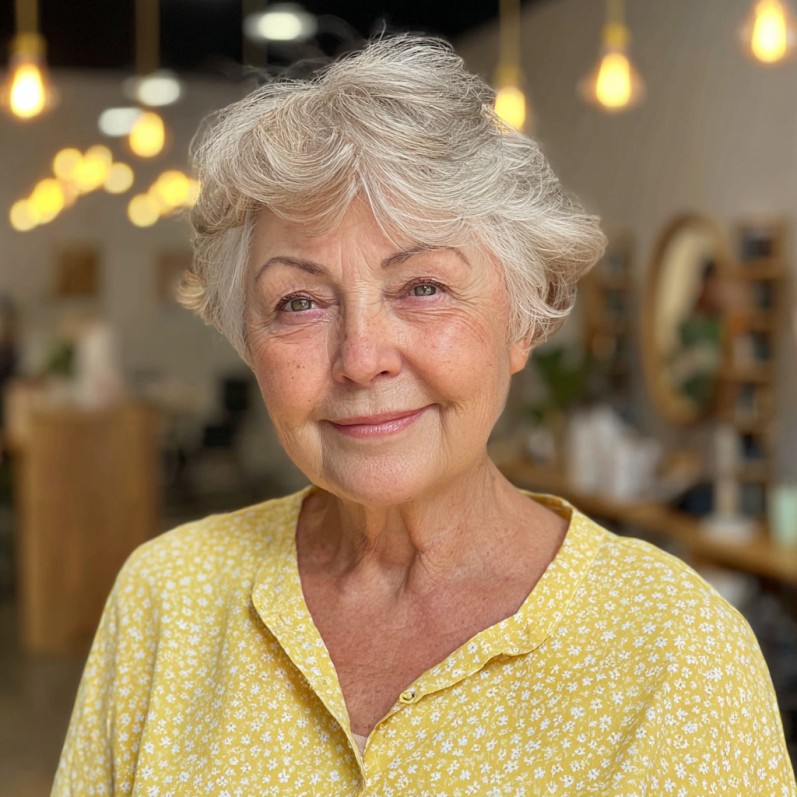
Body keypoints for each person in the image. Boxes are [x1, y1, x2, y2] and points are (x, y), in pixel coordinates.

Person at [53, 37, 795, 795]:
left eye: (423, 287)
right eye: (299, 302)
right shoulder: (166, 599)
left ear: (522, 320)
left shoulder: (678, 651)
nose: (360, 358)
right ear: (248, 341)